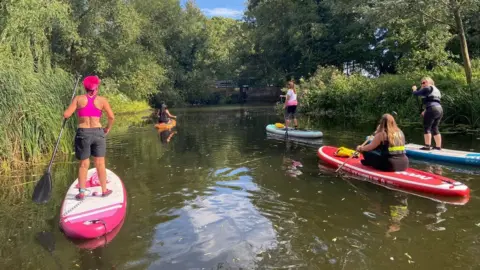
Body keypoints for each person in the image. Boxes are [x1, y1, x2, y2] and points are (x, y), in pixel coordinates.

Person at [63, 75, 115, 200]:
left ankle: (81, 193)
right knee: (100, 163)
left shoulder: (78, 99)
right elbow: (111, 117)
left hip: (83, 133)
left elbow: (66, 114)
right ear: (96, 88)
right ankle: (104, 190)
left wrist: (71, 106)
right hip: (98, 132)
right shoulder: (102, 100)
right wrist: (107, 128)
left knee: (83, 164)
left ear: (85, 87)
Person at [412, 76, 443, 150]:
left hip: (432, 109)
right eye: (421, 83)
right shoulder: (435, 90)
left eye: (424, 82)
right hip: (439, 109)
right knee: (435, 127)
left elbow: (416, 93)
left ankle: (427, 146)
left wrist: (414, 90)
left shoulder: (428, 88)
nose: (422, 84)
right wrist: (425, 110)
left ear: (429, 82)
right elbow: (433, 100)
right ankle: (438, 146)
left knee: (427, 127)